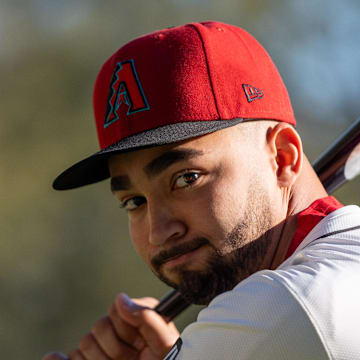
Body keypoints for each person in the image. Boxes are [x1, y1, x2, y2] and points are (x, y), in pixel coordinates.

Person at [44, 21, 360, 360]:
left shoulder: (287, 304)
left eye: (187, 178)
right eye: (134, 201)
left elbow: (285, 320)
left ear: (283, 157)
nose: (158, 232)